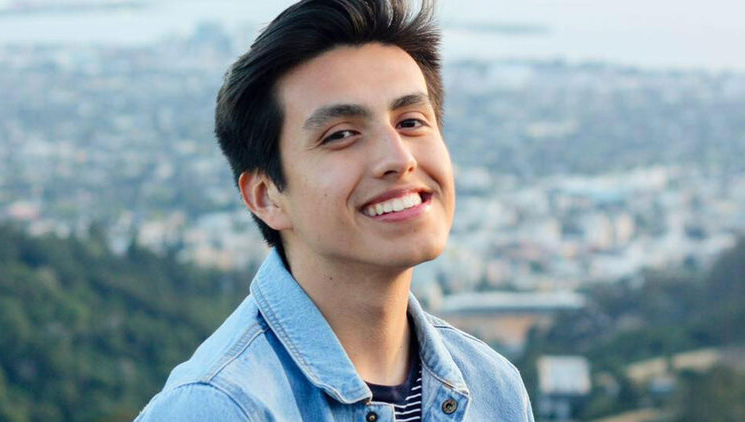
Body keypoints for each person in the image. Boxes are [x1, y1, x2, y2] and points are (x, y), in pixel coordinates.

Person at [135, 0, 534, 420]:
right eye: (342, 134)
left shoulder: (494, 388)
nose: (398, 158)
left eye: (411, 121)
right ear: (266, 196)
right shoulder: (219, 407)